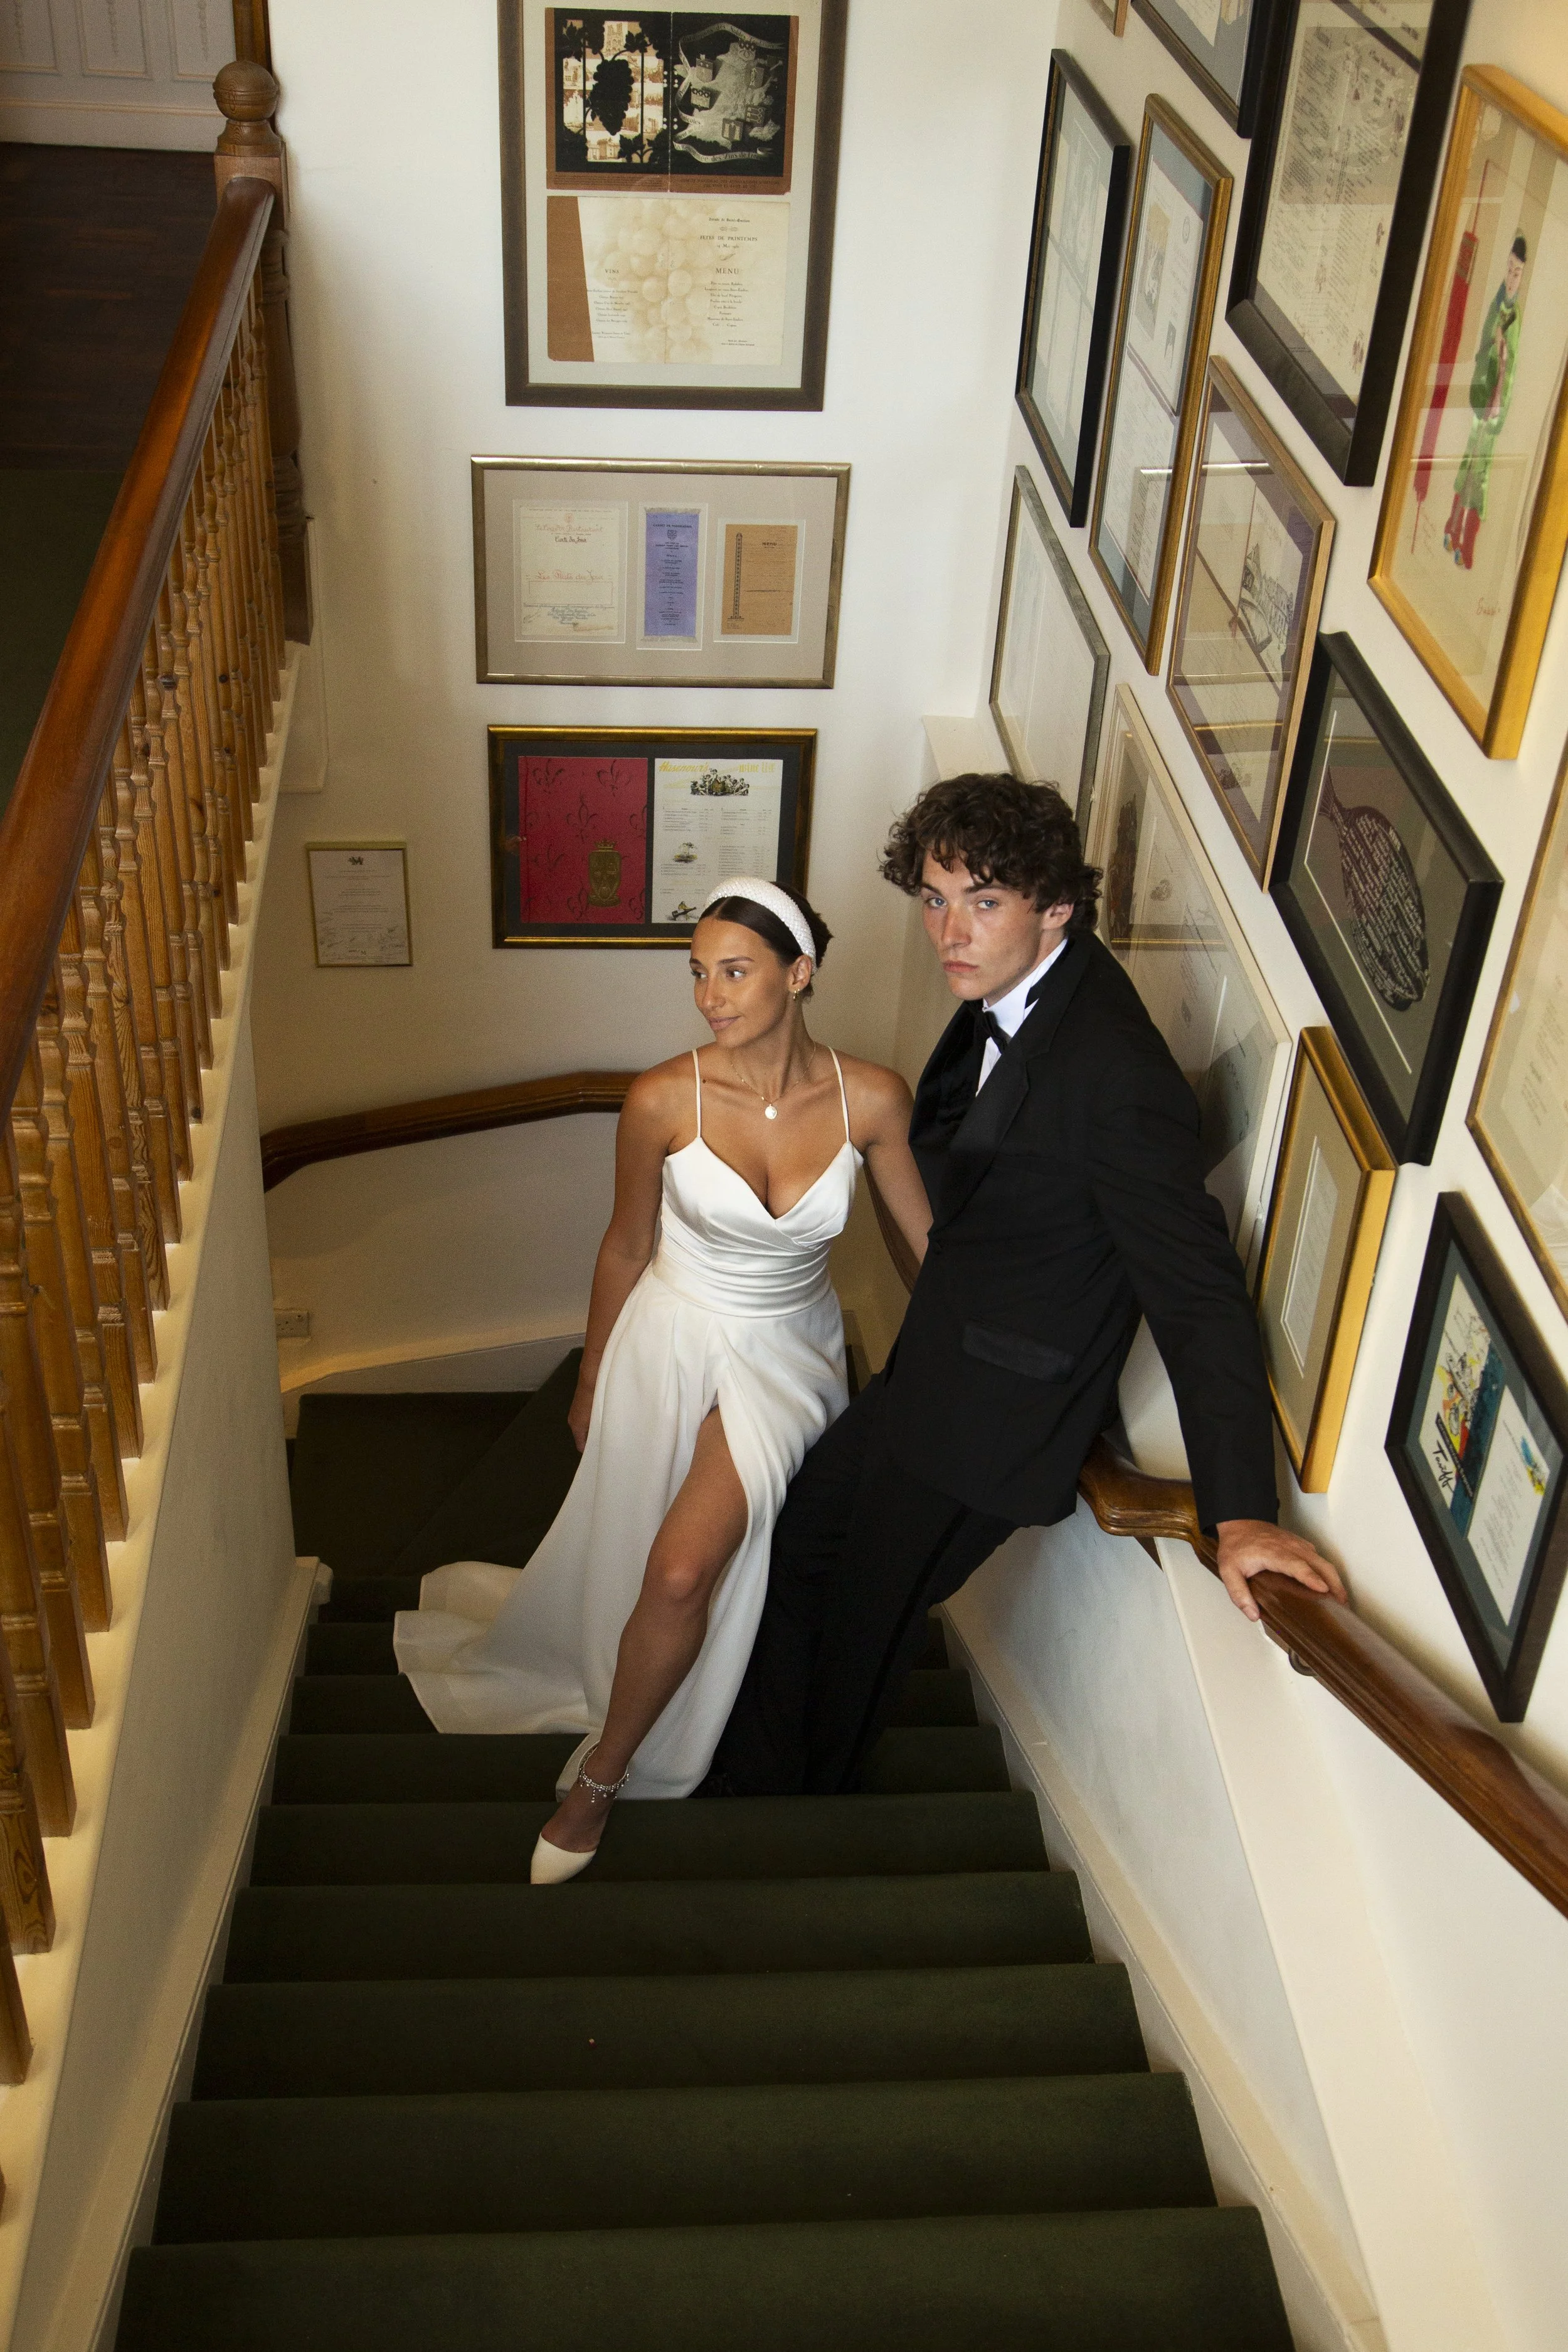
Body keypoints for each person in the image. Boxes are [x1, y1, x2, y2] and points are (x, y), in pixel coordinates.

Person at [705, 775, 1345, 1799]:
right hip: (933, 1374)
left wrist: (1241, 1511)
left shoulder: (1117, 1079)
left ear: (1057, 908)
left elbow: (1198, 1298)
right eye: (934, 899)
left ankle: (789, 1809)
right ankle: (754, 1764)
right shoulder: (1014, 989)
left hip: (994, 1427)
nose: (950, 932)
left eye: (984, 902)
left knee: (865, 1618)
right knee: (797, 1540)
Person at [391, 877, 931, 1881]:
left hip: (790, 1355)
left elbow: (924, 1249)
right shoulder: (659, 1096)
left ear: (799, 972)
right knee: (645, 1541)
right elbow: (624, 1245)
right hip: (668, 1338)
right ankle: (639, 1674)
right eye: (697, 972)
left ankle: (601, 1778)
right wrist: (593, 1374)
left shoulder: (875, 1096)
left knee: (684, 1565)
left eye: (735, 970)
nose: (710, 995)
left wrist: (957, 1353)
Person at [1444, 231, 1527, 572]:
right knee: (1468, 464)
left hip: (1494, 406)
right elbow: (1484, 346)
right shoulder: (1497, 303)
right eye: (1509, 268)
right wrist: (1490, 353)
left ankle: (1468, 543)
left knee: (1482, 474)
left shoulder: (1514, 314)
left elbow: (1510, 364)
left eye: (1517, 272)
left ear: (1522, 276)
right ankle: (1452, 525)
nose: (1510, 275)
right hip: (1482, 396)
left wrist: (1500, 351)